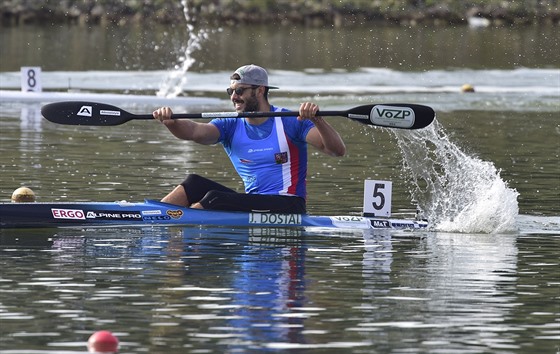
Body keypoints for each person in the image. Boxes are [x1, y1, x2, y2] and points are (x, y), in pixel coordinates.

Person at [153, 64, 346, 214]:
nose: (234, 97)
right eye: (231, 92)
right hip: (254, 203)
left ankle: (179, 226)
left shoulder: (289, 121)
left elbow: (336, 151)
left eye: (240, 91)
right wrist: (171, 122)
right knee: (194, 183)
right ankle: (153, 215)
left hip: (289, 204)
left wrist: (317, 120)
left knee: (215, 198)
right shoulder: (229, 124)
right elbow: (195, 132)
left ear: (260, 90)